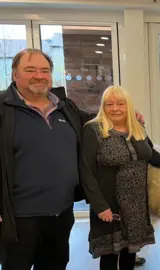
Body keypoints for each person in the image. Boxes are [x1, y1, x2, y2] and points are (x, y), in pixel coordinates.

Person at [0, 49, 95, 270]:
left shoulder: (65, 107)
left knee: (55, 265)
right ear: (15, 74)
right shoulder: (3, 109)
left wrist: (127, 114)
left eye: (45, 70)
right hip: (19, 218)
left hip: (61, 213)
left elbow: (94, 123)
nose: (39, 75)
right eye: (30, 70)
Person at [80, 85, 160, 270]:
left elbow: (151, 155)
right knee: (110, 255)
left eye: (120, 104)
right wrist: (100, 207)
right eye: (109, 104)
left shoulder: (137, 127)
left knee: (129, 254)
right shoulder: (93, 130)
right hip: (110, 205)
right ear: (103, 107)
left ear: (129, 106)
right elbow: (86, 171)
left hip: (136, 205)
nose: (115, 108)